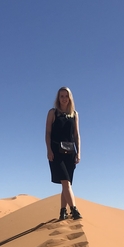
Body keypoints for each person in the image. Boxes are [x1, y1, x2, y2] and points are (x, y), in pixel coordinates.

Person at [45, 86, 82, 221]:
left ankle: (62, 211)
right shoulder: (52, 113)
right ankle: (74, 210)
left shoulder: (75, 114)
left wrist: (79, 153)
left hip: (70, 152)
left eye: (66, 96)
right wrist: (49, 150)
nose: (64, 99)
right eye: (61, 96)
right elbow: (48, 133)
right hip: (56, 152)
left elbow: (77, 135)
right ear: (58, 98)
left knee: (67, 185)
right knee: (66, 182)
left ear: (70, 98)